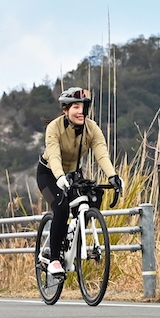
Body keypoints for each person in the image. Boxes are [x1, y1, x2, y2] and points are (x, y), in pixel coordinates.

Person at [36, 87, 123, 277]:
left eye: (83, 106)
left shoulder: (92, 128)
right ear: (65, 110)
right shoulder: (54, 128)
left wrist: (112, 176)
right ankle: (54, 260)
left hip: (73, 174)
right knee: (61, 208)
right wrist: (60, 177)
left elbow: (101, 153)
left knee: (92, 199)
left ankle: (72, 239)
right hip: (49, 173)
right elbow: (54, 155)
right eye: (75, 107)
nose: (80, 111)